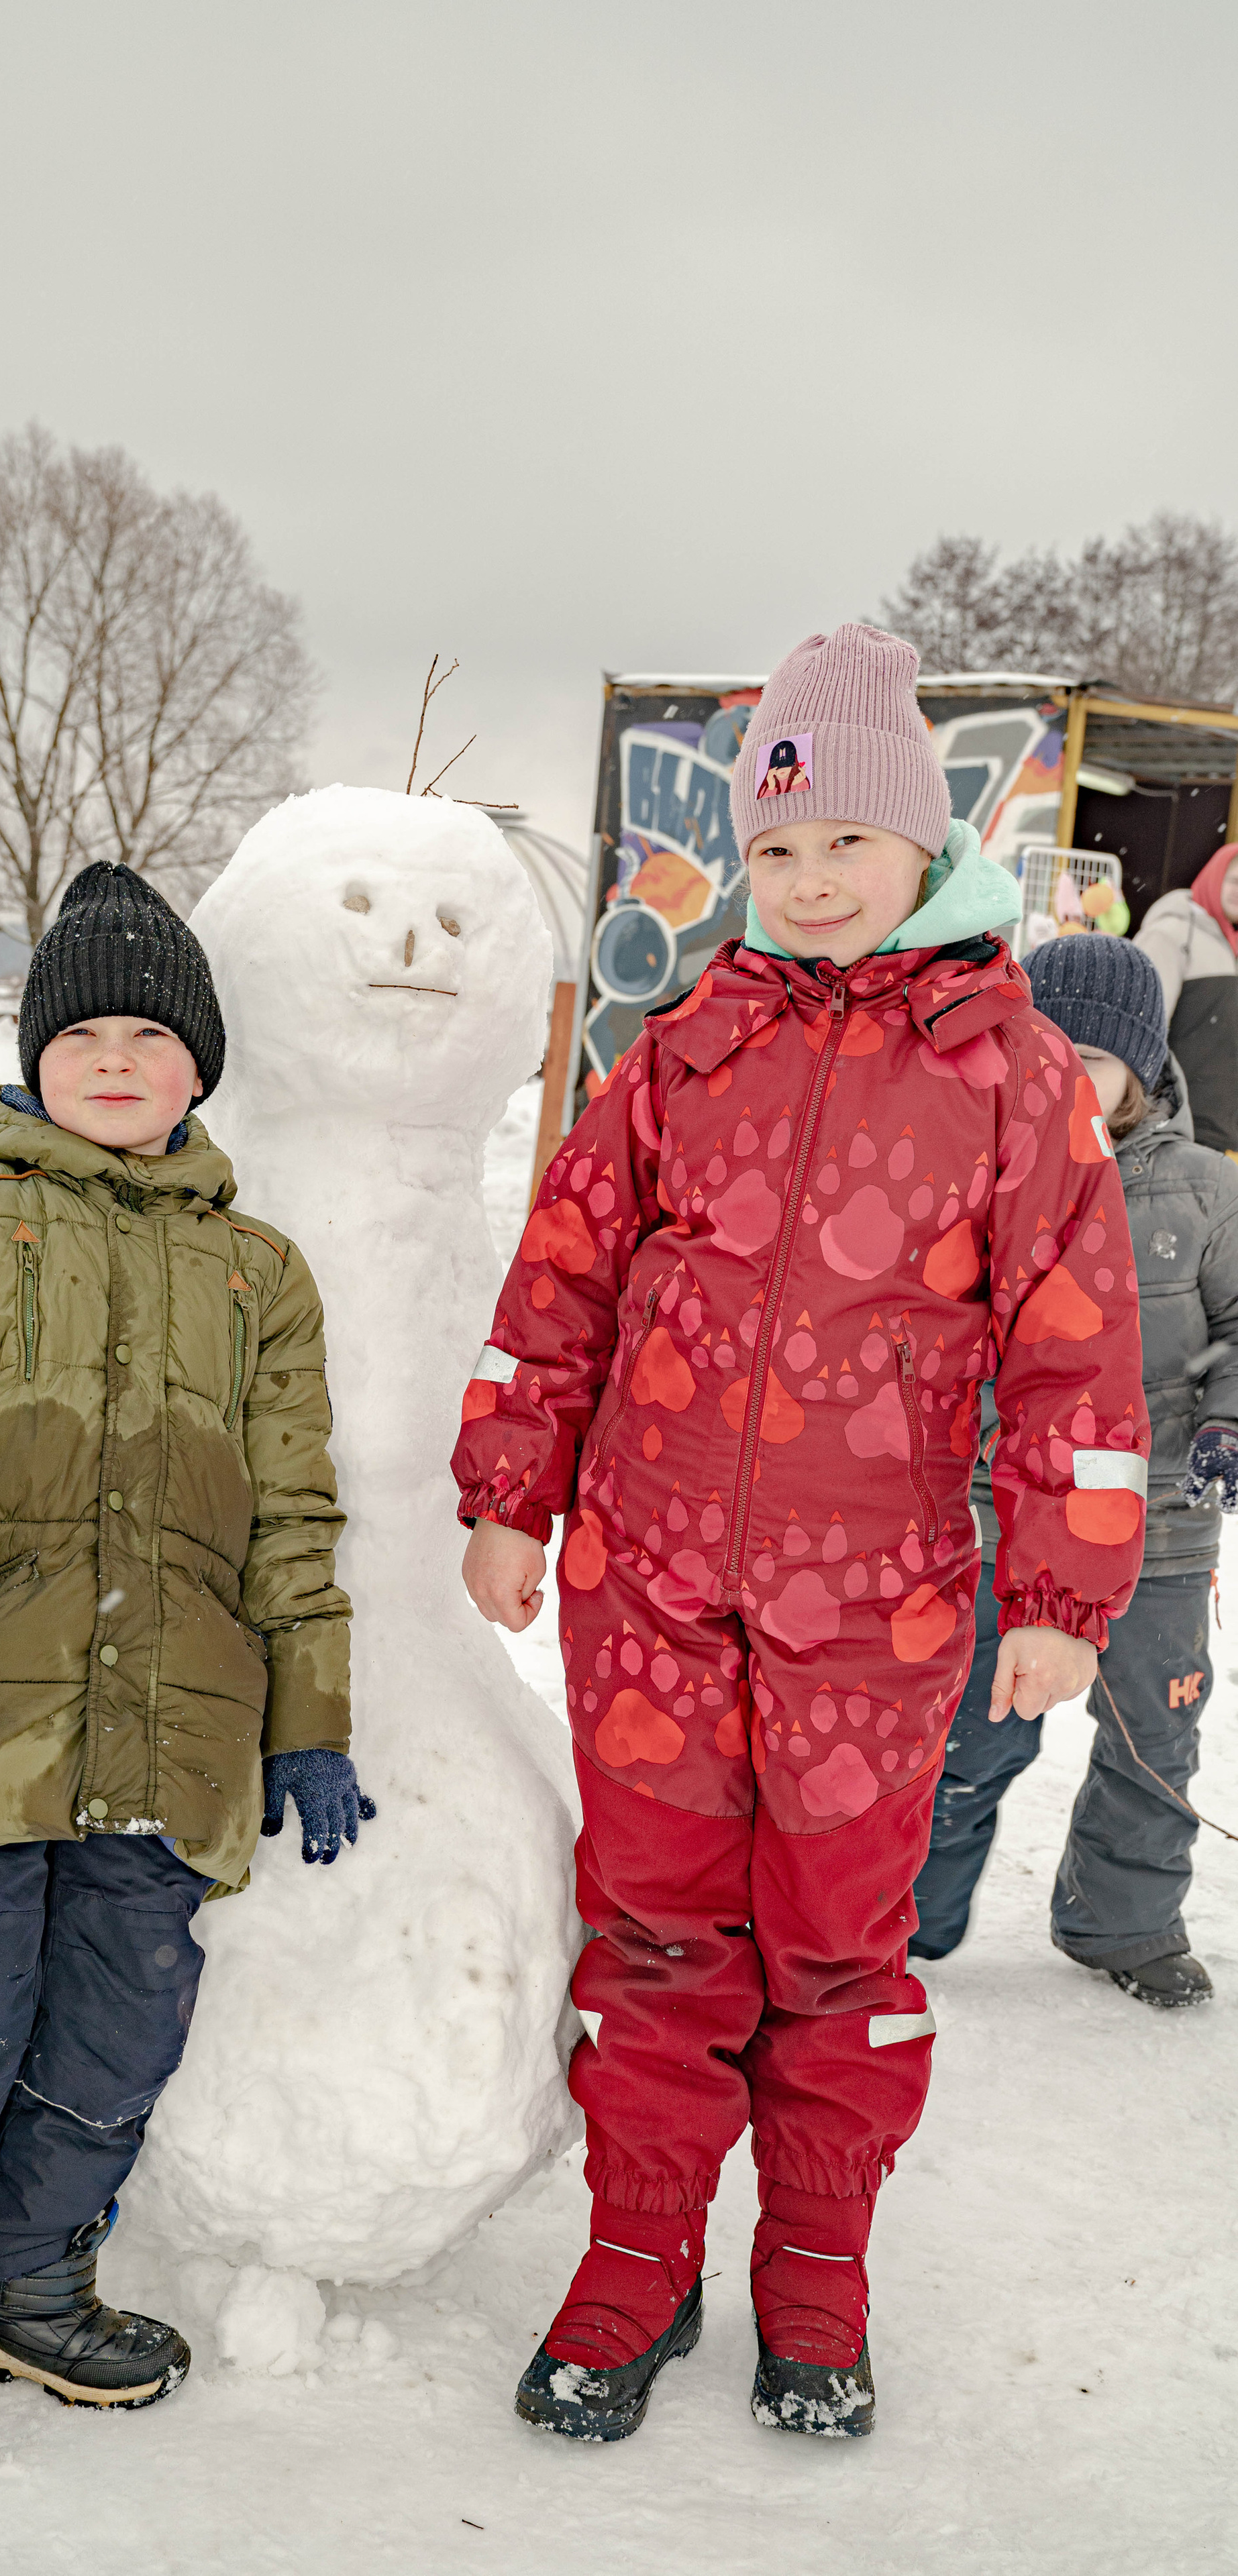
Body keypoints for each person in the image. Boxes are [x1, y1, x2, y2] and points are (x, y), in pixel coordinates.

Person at [453, 624, 1147, 2446]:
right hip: (652, 1591)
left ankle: (817, 2278)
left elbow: (1076, 1345)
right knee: (658, 1940)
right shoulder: (683, 1051)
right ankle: (639, 2262)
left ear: (925, 846)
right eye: (776, 850)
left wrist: (1067, 1586)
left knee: (841, 1962)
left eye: (845, 840)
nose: (811, 878)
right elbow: (565, 1279)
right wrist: (513, 1486)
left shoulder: (1010, 1078)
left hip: (876, 1623)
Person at [0, 861, 371, 2457]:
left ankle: (26, 2284)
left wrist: (306, 1718)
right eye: (82, 1031)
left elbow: (295, 1511)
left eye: (149, 1032)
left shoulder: (259, 1276)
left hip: (177, 1739)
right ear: (35, 1056)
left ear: (199, 1066)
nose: (113, 1058)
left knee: (111, 2036)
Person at [912, 936, 1238, 2002]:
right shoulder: (987, 1175)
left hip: (1165, 1526)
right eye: (1046, 1051)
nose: (1068, 1077)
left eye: (1095, 1060)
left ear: (1143, 1072)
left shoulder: (1204, 1191)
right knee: (973, 1724)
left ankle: (1124, 1924)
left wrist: (1226, 1426)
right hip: (1017, 1518)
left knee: (1156, 1735)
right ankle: (908, 1915)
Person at [1133, 843, 1238, 1157]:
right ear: (1215, 877)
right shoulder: (1171, 934)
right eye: (1235, 880)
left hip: (1223, 1128)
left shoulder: (1232, 946)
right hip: (1179, 1124)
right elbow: (1143, 1029)